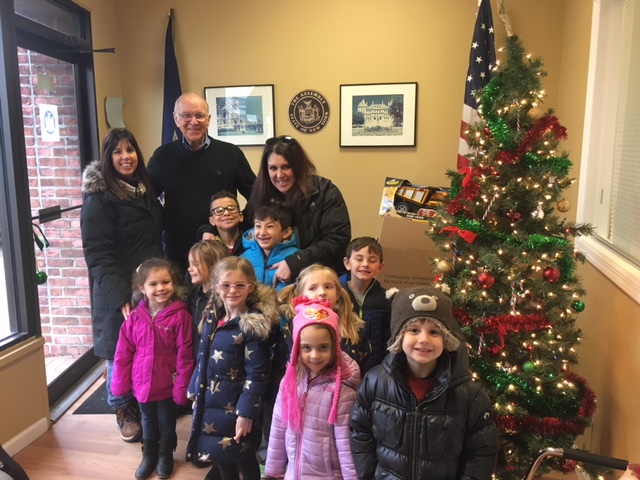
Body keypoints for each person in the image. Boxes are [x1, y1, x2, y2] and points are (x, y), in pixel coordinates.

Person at [349, 286, 500, 480]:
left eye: (434, 332)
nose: (423, 339)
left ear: (446, 338)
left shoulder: (469, 395)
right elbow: (360, 432)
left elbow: (481, 453)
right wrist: (370, 475)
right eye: (413, 330)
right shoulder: (374, 382)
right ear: (399, 336)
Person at [80, 128, 163, 443]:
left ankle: (144, 404)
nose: (126, 157)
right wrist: (119, 297)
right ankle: (122, 409)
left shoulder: (143, 189)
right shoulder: (99, 198)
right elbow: (97, 255)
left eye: (130, 150)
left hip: (148, 286)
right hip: (117, 290)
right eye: (118, 151)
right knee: (120, 354)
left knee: (145, 351)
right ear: (108, 157)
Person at [186, 257, 279, 480]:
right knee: (220, 456)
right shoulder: (211, 319)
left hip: (238, 407)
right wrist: (195, 392)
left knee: (243, 457)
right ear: (217, 287)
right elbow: (202, 358)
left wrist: (247, 413)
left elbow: (258, 374)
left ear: (250, 287)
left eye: (240, 285)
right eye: (226, 285)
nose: (232, 291)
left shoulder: (252, 325)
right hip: (210, 403)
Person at [147, 92, 256, 270]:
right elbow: (146, 201)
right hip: (178, 254)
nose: (194, 121)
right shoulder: (162, 157)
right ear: (175, 119)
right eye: (186, 115)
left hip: (222, 253)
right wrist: (164, 223)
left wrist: (239, 221)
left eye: (199, 115)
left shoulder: (230, 154)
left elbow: (256, 195)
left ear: (208, 119)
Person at [111, 257, 194, 480]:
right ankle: (149, 454)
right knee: (147, 420)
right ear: (142, 288)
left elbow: (185, 356)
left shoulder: (181, 317)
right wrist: (120, 384)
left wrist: (181, 388)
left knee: (167, 420)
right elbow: (123, 354)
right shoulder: (135, 317)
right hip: (142, 383)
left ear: (173, 284)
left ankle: (166, 454)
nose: (160, 288)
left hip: (167, 383)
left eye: (165, 282)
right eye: (153, 284)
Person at [264, 297, 360, 480]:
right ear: (296, 350)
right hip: (294, 473)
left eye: (323, 347)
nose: (315, 355)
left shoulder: (342, 392)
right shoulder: (289, 382)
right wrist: (274, 469)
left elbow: (346, 445)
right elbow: (278, 426)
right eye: (306, 348)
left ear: (335, 347)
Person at [247, 135, 350, 283]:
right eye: (273, 168)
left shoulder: (325, 191)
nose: (279, 175)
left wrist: (296, 262)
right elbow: (242, 224)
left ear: (299, 166)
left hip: (318, 279)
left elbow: (337, 240)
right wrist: (209, 229)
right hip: (267, 282)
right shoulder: (261, 194)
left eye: (286, 167)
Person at [275, 264, 369, 385]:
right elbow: (279, 369)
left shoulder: (354, 328)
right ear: (300, 295)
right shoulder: (290, 328)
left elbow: (365, 369)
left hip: (343, 398)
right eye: (313, 288)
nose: (322, 292)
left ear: (338, 294)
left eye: (328, 287)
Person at [339, 237, 391, 374]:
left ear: (380, 267)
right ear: (347, 263)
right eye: (359, 259)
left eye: (372, 260)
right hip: (340, 370)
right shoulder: (335, 295)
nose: (365, 264)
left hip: (374, 371)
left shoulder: (387, 299)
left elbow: (389, 340)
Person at [240, 203, 299, 291]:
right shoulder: (243, 259)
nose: (262, 232)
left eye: (270, 226)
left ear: (286, 232)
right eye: (258, 226)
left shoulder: (296, 258)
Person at [187, 240, 229, 355]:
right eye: (190, 264)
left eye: (195, 264)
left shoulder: (223, 300)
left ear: (213, 266)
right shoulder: (193, 294)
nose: (189, 269)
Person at [196, 191, 246, 256]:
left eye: (231, 209)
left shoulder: (252, 242)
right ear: (212, 220)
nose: (226, 213)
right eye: (219, 211)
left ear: (241, 216)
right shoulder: (207, 248)